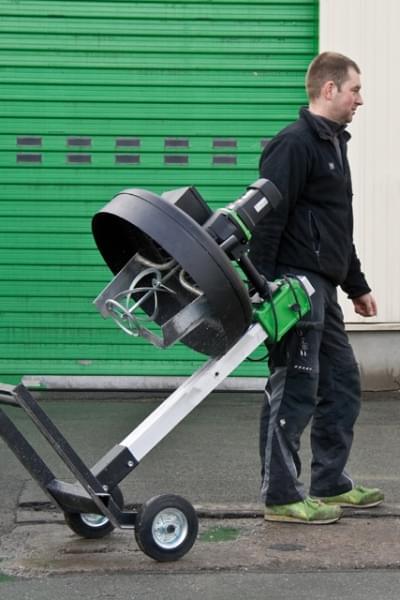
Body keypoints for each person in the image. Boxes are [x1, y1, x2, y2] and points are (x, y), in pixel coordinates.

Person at [249, 51, 384, 524]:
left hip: (322, 287)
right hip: (294, 286)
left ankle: (330, 482)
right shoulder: (293, 144)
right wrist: (263, 288)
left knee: (342, 383)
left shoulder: (333, 145)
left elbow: (336, 226)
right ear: (329, 89)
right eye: (355, 90)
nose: (360, 100)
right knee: (295, 388)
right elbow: (266, 219)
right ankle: (282, 496)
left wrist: (357, 285)